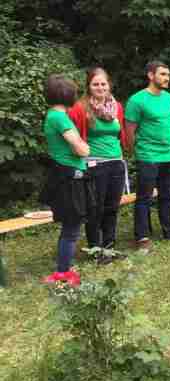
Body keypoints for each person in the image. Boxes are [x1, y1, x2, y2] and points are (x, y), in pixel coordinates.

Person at [67, 67, 127, 256]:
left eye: (103, 83)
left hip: (116, 162)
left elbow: (119, 133)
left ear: (108, 85)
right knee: (95, 208)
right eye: (95, 84)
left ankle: (109, 247)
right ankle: (95, 249)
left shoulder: (116, 107)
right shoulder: (80, 107)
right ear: (89, 86)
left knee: (112, 206)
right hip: (93, 164)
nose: (100, 87)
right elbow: (72, 137)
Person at [125, 61, 170, 249]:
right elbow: (129, 130)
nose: (167, 78)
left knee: (166, 195)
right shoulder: (137, 100)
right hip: (147, 154)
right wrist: (134, 151)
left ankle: (169, 232)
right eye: (163, 74)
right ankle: (142, 237)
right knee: (144, 197)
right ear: (150, 75)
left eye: (168, 75)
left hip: (169, 154)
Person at [41, 75, 91, 284]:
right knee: (71, 227)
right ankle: (63, 272)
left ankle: (63, 269)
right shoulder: (60, 118)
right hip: (70, 177)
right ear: (67, 94)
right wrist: (84, 148)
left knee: (70, 226)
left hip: (66, 175)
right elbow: (80, 148)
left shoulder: (53, 115)